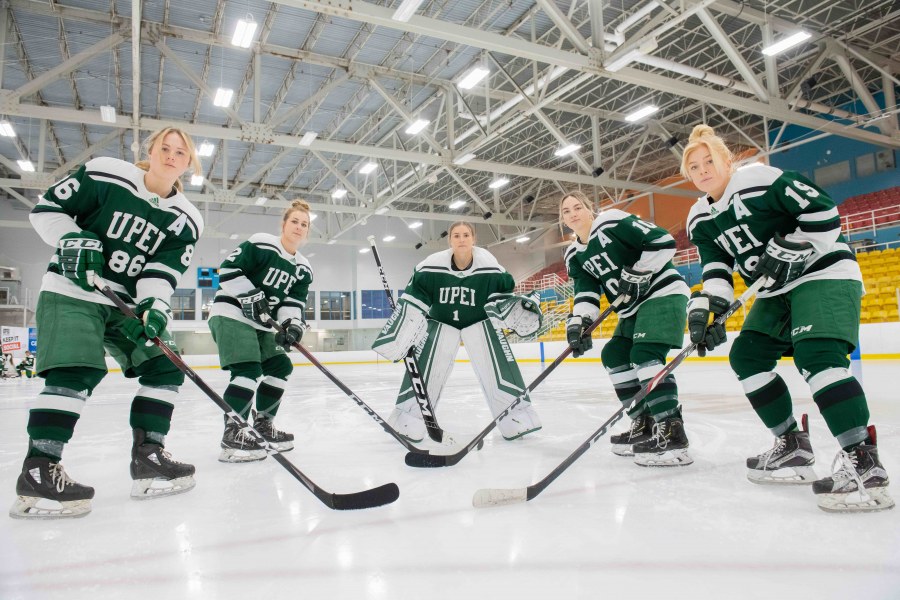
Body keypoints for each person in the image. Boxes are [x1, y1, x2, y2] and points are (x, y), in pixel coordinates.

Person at [682, 124, 892, 512]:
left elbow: (824, 212)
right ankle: (792, 444)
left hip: (823, 271)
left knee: (818, 357)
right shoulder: (699, 218)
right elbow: (716, 270)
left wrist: (792, 244)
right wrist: (708, 309)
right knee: (747, 357)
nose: (702, 170)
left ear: (727, 160)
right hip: (774, 291)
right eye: (694, 166)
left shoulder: (760, 179)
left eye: (709, 160)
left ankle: (864, 463)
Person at [10, 127, 204, 519]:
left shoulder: (187, 218)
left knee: (165, 365)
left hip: (124, 304)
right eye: (163, 147)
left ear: (189, 163)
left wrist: (155, 306)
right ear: (149, 150)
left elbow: (160, 271)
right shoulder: (105, 174)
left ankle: (149, 454)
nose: (170, 155)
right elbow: (46, 210)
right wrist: (73, 238)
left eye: (180, 152)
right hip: (73, 290)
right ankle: (39, 467)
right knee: (75, 371)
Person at [372, 221, 543, 443]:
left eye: (465, 235)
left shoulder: (489, 267)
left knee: (497, 362)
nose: (461, 239)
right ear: (450, 240)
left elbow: (505, 291)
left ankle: (517, 418)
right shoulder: (431, 267)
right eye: (456, 235)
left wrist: (510, 309)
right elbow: (416, 295)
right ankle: (408, 420)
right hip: (441, 322)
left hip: (479, 322)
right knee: (428, 363)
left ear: (473, 239)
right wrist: (405, 326)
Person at [560, 191, 692, 466]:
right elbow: (586, 293)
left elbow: (663, 241)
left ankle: (672, 432)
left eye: (578, 207)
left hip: (662, 292)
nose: (573, 213)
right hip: (632, 308)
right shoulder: (574, 254)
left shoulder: (611, 222)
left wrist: (638, 271)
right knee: (615, 356)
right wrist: (580, 321)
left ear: (590, 210)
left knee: (644, 354)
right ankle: (643, 423)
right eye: (566, 211)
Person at [208, 199, 313, 462]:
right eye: (295, 221)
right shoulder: (262, 243)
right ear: (284, 224)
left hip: (262, 323)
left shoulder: (303, 268)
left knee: (280, 367)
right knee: (248, 370)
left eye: (304, 224)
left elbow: (292, 304)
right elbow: (228, 270)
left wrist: (292, 325)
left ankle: (263, 425)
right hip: (231, 312)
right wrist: (250, 295)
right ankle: (234, 433)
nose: (299, 227)